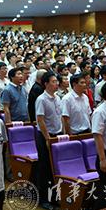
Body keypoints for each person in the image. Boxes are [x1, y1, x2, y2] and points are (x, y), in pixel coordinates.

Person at [34, 72, 63, 203]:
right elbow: (40, 120)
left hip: (57, 134)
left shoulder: (58, 98)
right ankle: (43, 198)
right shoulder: (41, 99)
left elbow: (59, 117)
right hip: (45, 136)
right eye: (53, 81)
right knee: (45, 167)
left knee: (55, 167)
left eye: (57, 81)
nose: (56, 83)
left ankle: (55, 196)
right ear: (46, 84)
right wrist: (47, 138)